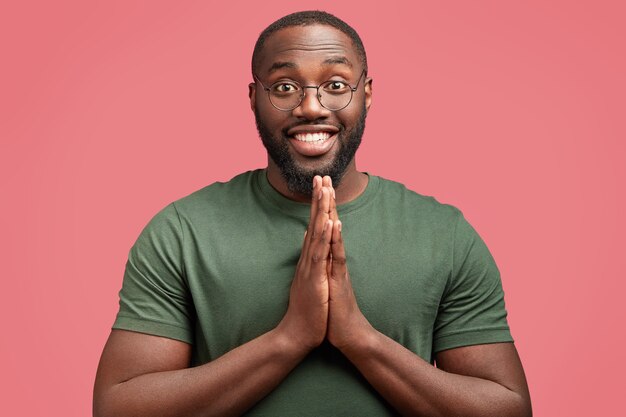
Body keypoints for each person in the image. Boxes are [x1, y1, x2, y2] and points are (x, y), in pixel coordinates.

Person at [94, 10, 531, 417]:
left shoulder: (444, 234)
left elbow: (508, 407)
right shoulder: (181, 232)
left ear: (368, 94)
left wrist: (358, 337)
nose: (311, 106)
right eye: (284, 87)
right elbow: (119, 406)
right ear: (253, 98)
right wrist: (290, 338)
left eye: (336, 85)